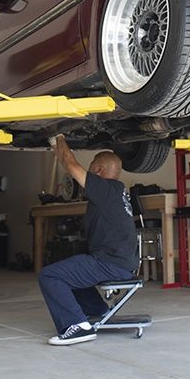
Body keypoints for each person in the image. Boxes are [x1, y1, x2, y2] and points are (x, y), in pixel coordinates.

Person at [38, 135, 139, 345]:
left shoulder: (104, 188)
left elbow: (70, 162)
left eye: (92, 163)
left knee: (50, 276)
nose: (88, 167)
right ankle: (96, 311)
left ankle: (77, 327)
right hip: (121, 263)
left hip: (109, 263)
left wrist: (57, 137)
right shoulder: (118, 191)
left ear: (99, 170)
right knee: (73, 270)